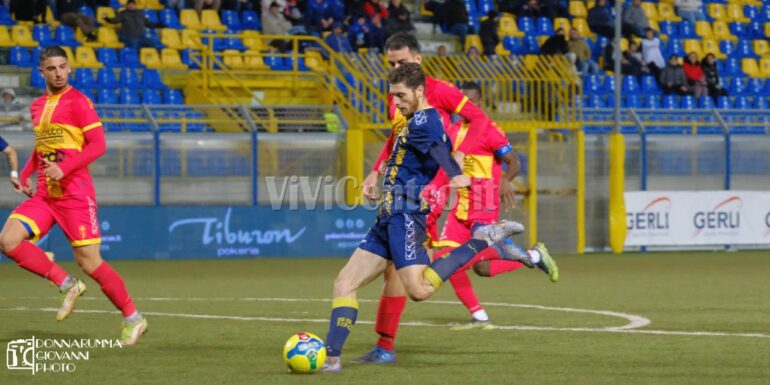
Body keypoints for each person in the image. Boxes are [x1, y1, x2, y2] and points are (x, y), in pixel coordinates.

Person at [352, 32, 551, 365]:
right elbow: (397, 137)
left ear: (418, 59)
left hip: (429, 191)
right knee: (400, 273)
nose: (396, 68)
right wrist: (375, 171)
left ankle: (490, 246)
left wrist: (459, 154)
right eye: (391, 63)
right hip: (408, 188)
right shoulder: (397, 95)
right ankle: (385, 346)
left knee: (413, 276)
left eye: (403, 61)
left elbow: (480, 119)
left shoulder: (439, 90)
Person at [322, 63, 529, 372]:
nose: (396, 102)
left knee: (418, 290)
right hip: (388, 214)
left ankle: (483, 240)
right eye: (393, 96)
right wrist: (380, 175)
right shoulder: (413, 119)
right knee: (344, 282)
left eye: (401, 95)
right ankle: (331, 359)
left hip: (406, 216)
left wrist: (455, 173)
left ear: (419, 91)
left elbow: (436, 148)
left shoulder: (425, 120)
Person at [0, 46, 147, 345]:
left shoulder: (79, 102)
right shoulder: (38, 106)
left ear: (69, 68)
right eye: (52, 68)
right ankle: (66, 283)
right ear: (41, 72)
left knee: (90, 262)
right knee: (8, 240)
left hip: (75, 195)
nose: (58, 73)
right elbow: (43, 148)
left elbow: (98, 145)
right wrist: (25, 174)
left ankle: (133, 318)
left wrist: (64, 168)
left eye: (62, 67)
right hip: (45, 195)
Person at [423, 82, 557, 331]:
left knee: (453, 261)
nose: (466, 106)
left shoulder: (489, 130)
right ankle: (530, 259)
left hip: (483, 199)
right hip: (461, 203)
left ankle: (526, 257)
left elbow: (513, 161)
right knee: (474, 266)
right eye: (463, 101)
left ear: (481, 102)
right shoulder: (453, 130)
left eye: (472, 100)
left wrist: (506, 180)